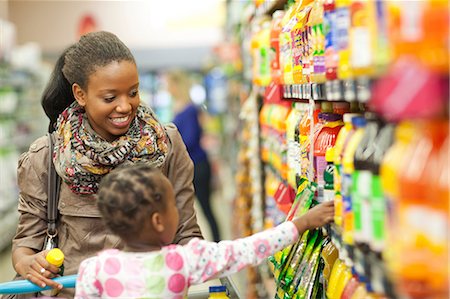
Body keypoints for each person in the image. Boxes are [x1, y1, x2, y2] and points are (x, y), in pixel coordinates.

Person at [9, 31, 202, 298]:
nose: (125, 106)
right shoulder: (47, 155)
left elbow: (187, 233)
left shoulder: (165, 145)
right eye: (110, 98)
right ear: (80, 94)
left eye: (133, 92)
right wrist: (28, 262)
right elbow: (25, 246)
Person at [74, 164, 334, 298]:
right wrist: (300, 223)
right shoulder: (183, 261)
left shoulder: (93, 269)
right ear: (158, 221)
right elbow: (248, 250)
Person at [166, 70, 221, 242]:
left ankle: (217, 244)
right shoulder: (180, 107)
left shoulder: (189, 110)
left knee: (206, 208)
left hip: (197, 166)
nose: (168, 89)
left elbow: (189, 138)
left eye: (169, 85)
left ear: (177, 85)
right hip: (192, 164)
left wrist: (170, 146)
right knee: (193, 209)